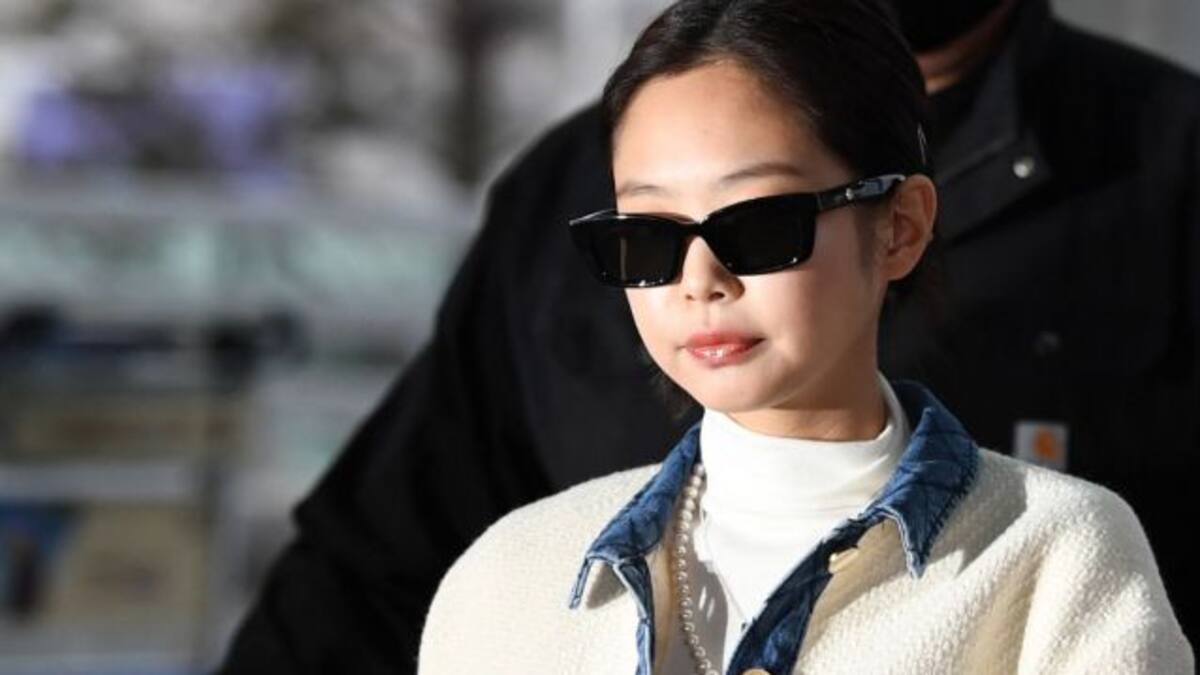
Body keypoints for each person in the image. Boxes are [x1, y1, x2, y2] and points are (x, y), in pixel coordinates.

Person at [219, 0, 1200, 671]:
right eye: (645, 238)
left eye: (763, 223)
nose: (700, 278)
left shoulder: (1063, 553)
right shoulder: (508, 575)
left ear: (902, 226)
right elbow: (373, 559)